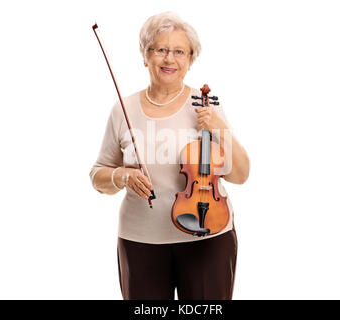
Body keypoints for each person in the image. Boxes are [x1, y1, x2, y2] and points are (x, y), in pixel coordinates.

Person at [89, 11, 250, 300]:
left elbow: (240, 174)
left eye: (179, 52)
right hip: (140, 240)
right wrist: (121, 175)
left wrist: (220, 128)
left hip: (208, 235)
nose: (169, 59)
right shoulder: (122, 110)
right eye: (161, 49)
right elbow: (98, 174)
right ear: (145, 55)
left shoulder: (205, 108)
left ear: (190, 60)